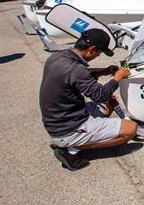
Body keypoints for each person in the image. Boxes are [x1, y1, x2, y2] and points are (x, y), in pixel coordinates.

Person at [39, 28, 136, 171]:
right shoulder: (76, 70)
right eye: (99, 53)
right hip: (69, 128)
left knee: (108, 103)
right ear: (91, 49)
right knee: (130, 129)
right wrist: (118, 77)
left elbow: (77, 76)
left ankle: (70, 141)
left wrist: (103, 71)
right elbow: (100, 94)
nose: (97, 56)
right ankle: (70, 148)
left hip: (58, 121)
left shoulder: (58, 57)